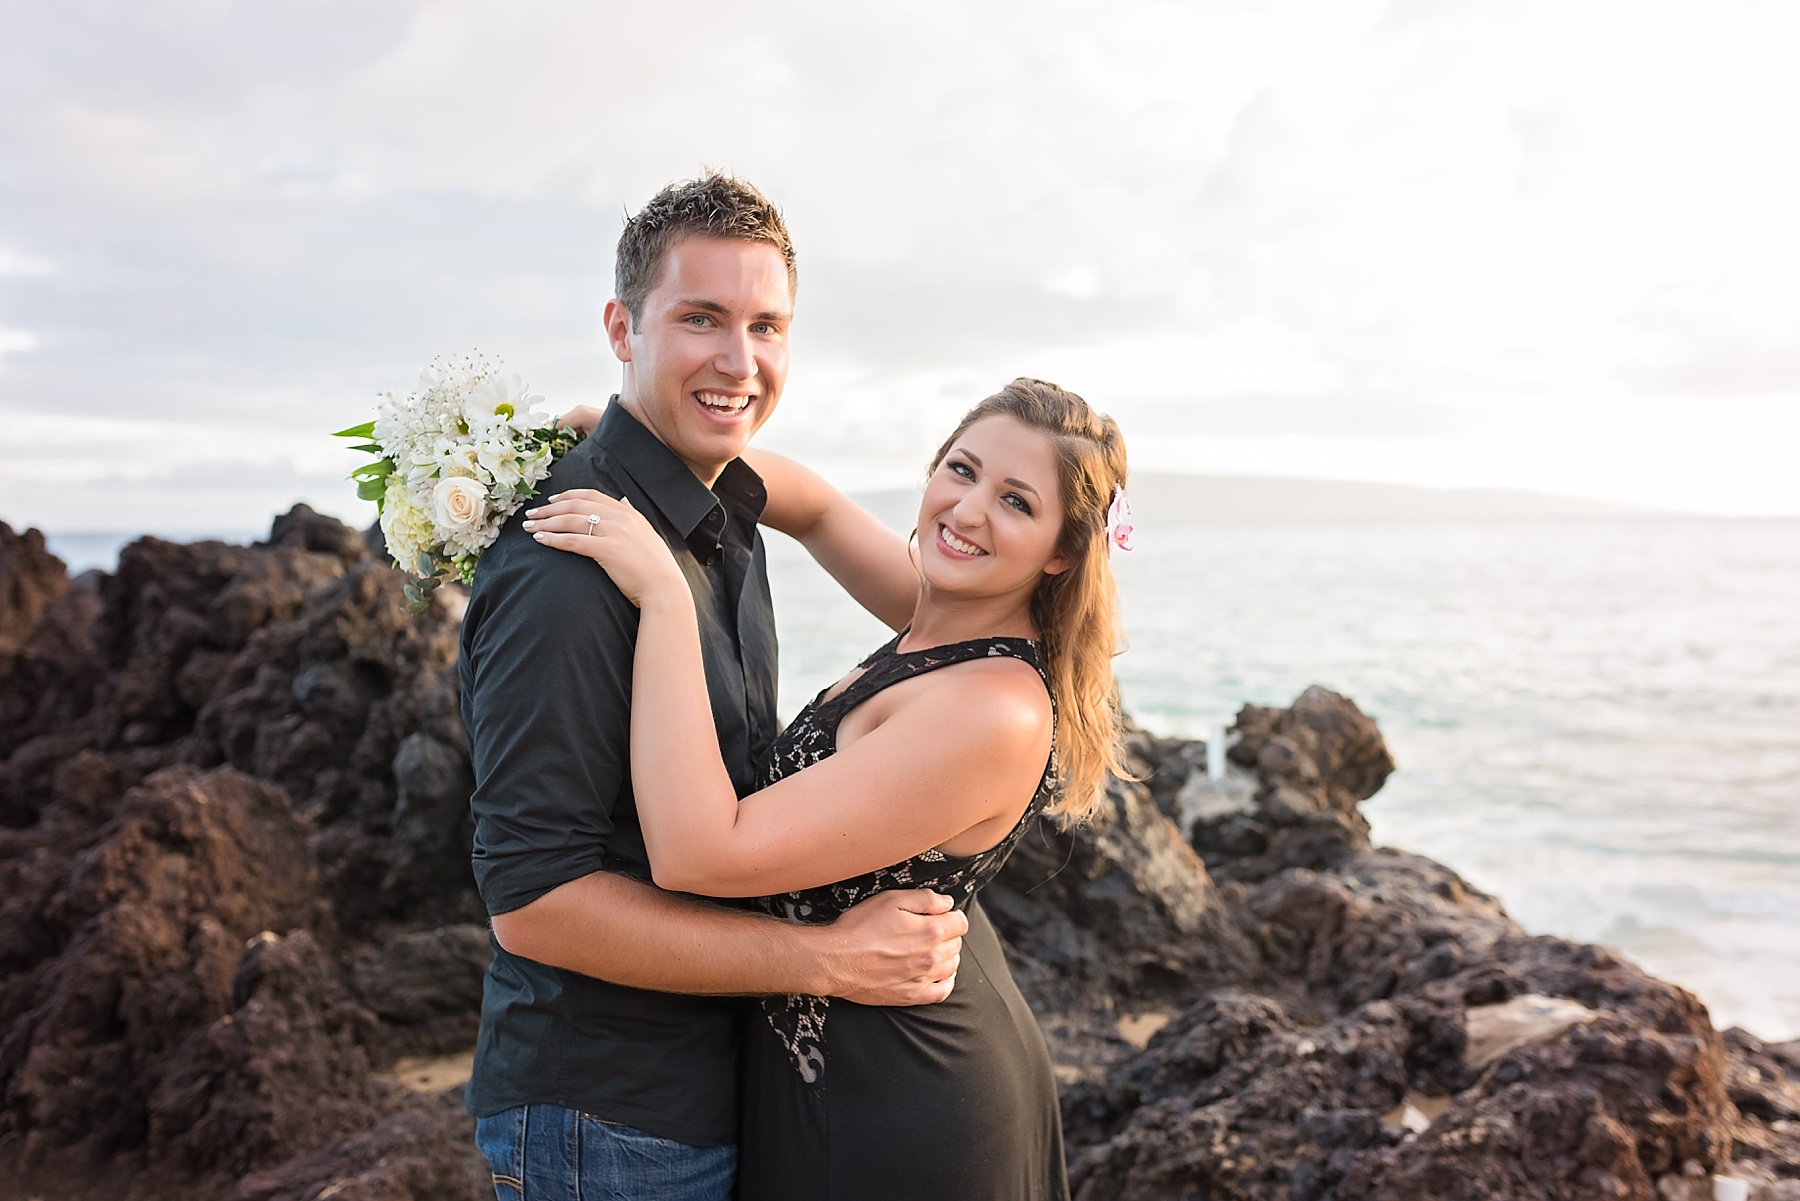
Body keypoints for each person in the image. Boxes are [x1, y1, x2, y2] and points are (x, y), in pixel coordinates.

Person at [458, 173, 968, 1201]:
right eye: (701, 319)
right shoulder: (566, 566)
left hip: (695, 1094)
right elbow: (537, 905)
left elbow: (934, 609)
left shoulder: (722, 504)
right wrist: (826, 960)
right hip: (607, 1118)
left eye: (766, 326)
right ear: (621, 326)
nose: (740, 363)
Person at [524, 377, 1132, 1201]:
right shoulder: (939, 616)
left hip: (906, 1108)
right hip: (827, 1073)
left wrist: (663, 594)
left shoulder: (994, 708)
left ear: (1063, 549)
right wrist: (636, 441)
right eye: (961, 468)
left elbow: (698, 851)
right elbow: (809, 506)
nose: (969, 510)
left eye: (1018, 502)